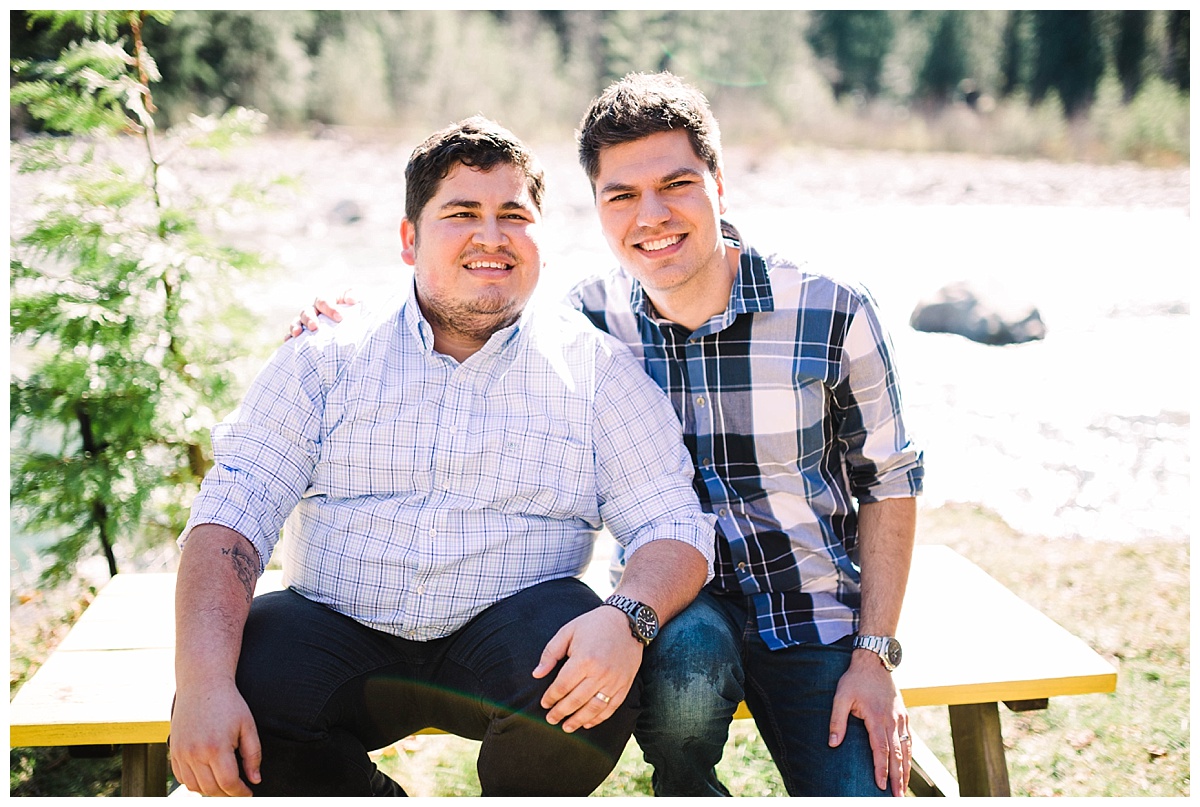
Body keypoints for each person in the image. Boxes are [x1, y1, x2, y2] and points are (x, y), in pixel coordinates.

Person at [295, 72, 923, 797]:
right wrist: (342, 312)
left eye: (677, 184)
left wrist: (874, 656)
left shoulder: (830, 308)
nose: (651, 216)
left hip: (813, 614)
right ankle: (685, 785)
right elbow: (462, 292)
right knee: (686, 676)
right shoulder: (580, 323)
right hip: (677, 607)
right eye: (621, 195)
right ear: (596, 209)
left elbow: (891, 478)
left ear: (720, 183)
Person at [169, 116, 715, 797]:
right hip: (339, 626)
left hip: (515, 638)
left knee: (587, 674)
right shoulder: (324, 355)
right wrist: (200, 683)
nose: (491, 236)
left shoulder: (598, 371)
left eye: (513, 215)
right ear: (409, 238)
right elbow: (232, 517)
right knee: (251, 681)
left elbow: (673, 525)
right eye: (462, 213)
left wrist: (626, 617)